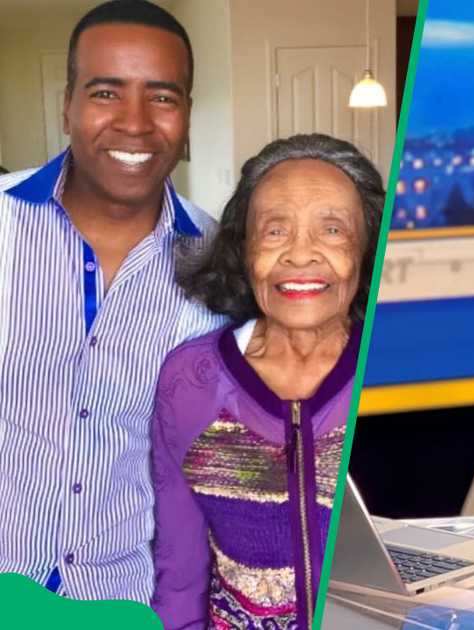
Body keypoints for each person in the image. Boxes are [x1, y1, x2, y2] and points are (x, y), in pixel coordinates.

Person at [0, 0, 223, 601]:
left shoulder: (219, 265)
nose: (135, 122)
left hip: (120, 598)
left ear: (187, 115)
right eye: (105, 93)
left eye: (162, 96)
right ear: (66, 106)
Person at [149, 133, 383, 630]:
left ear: (367, 249)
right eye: (275, 231)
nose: (301, 255)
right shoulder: (190, 381)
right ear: (243, 248)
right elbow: (180, 573)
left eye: (333, 231)